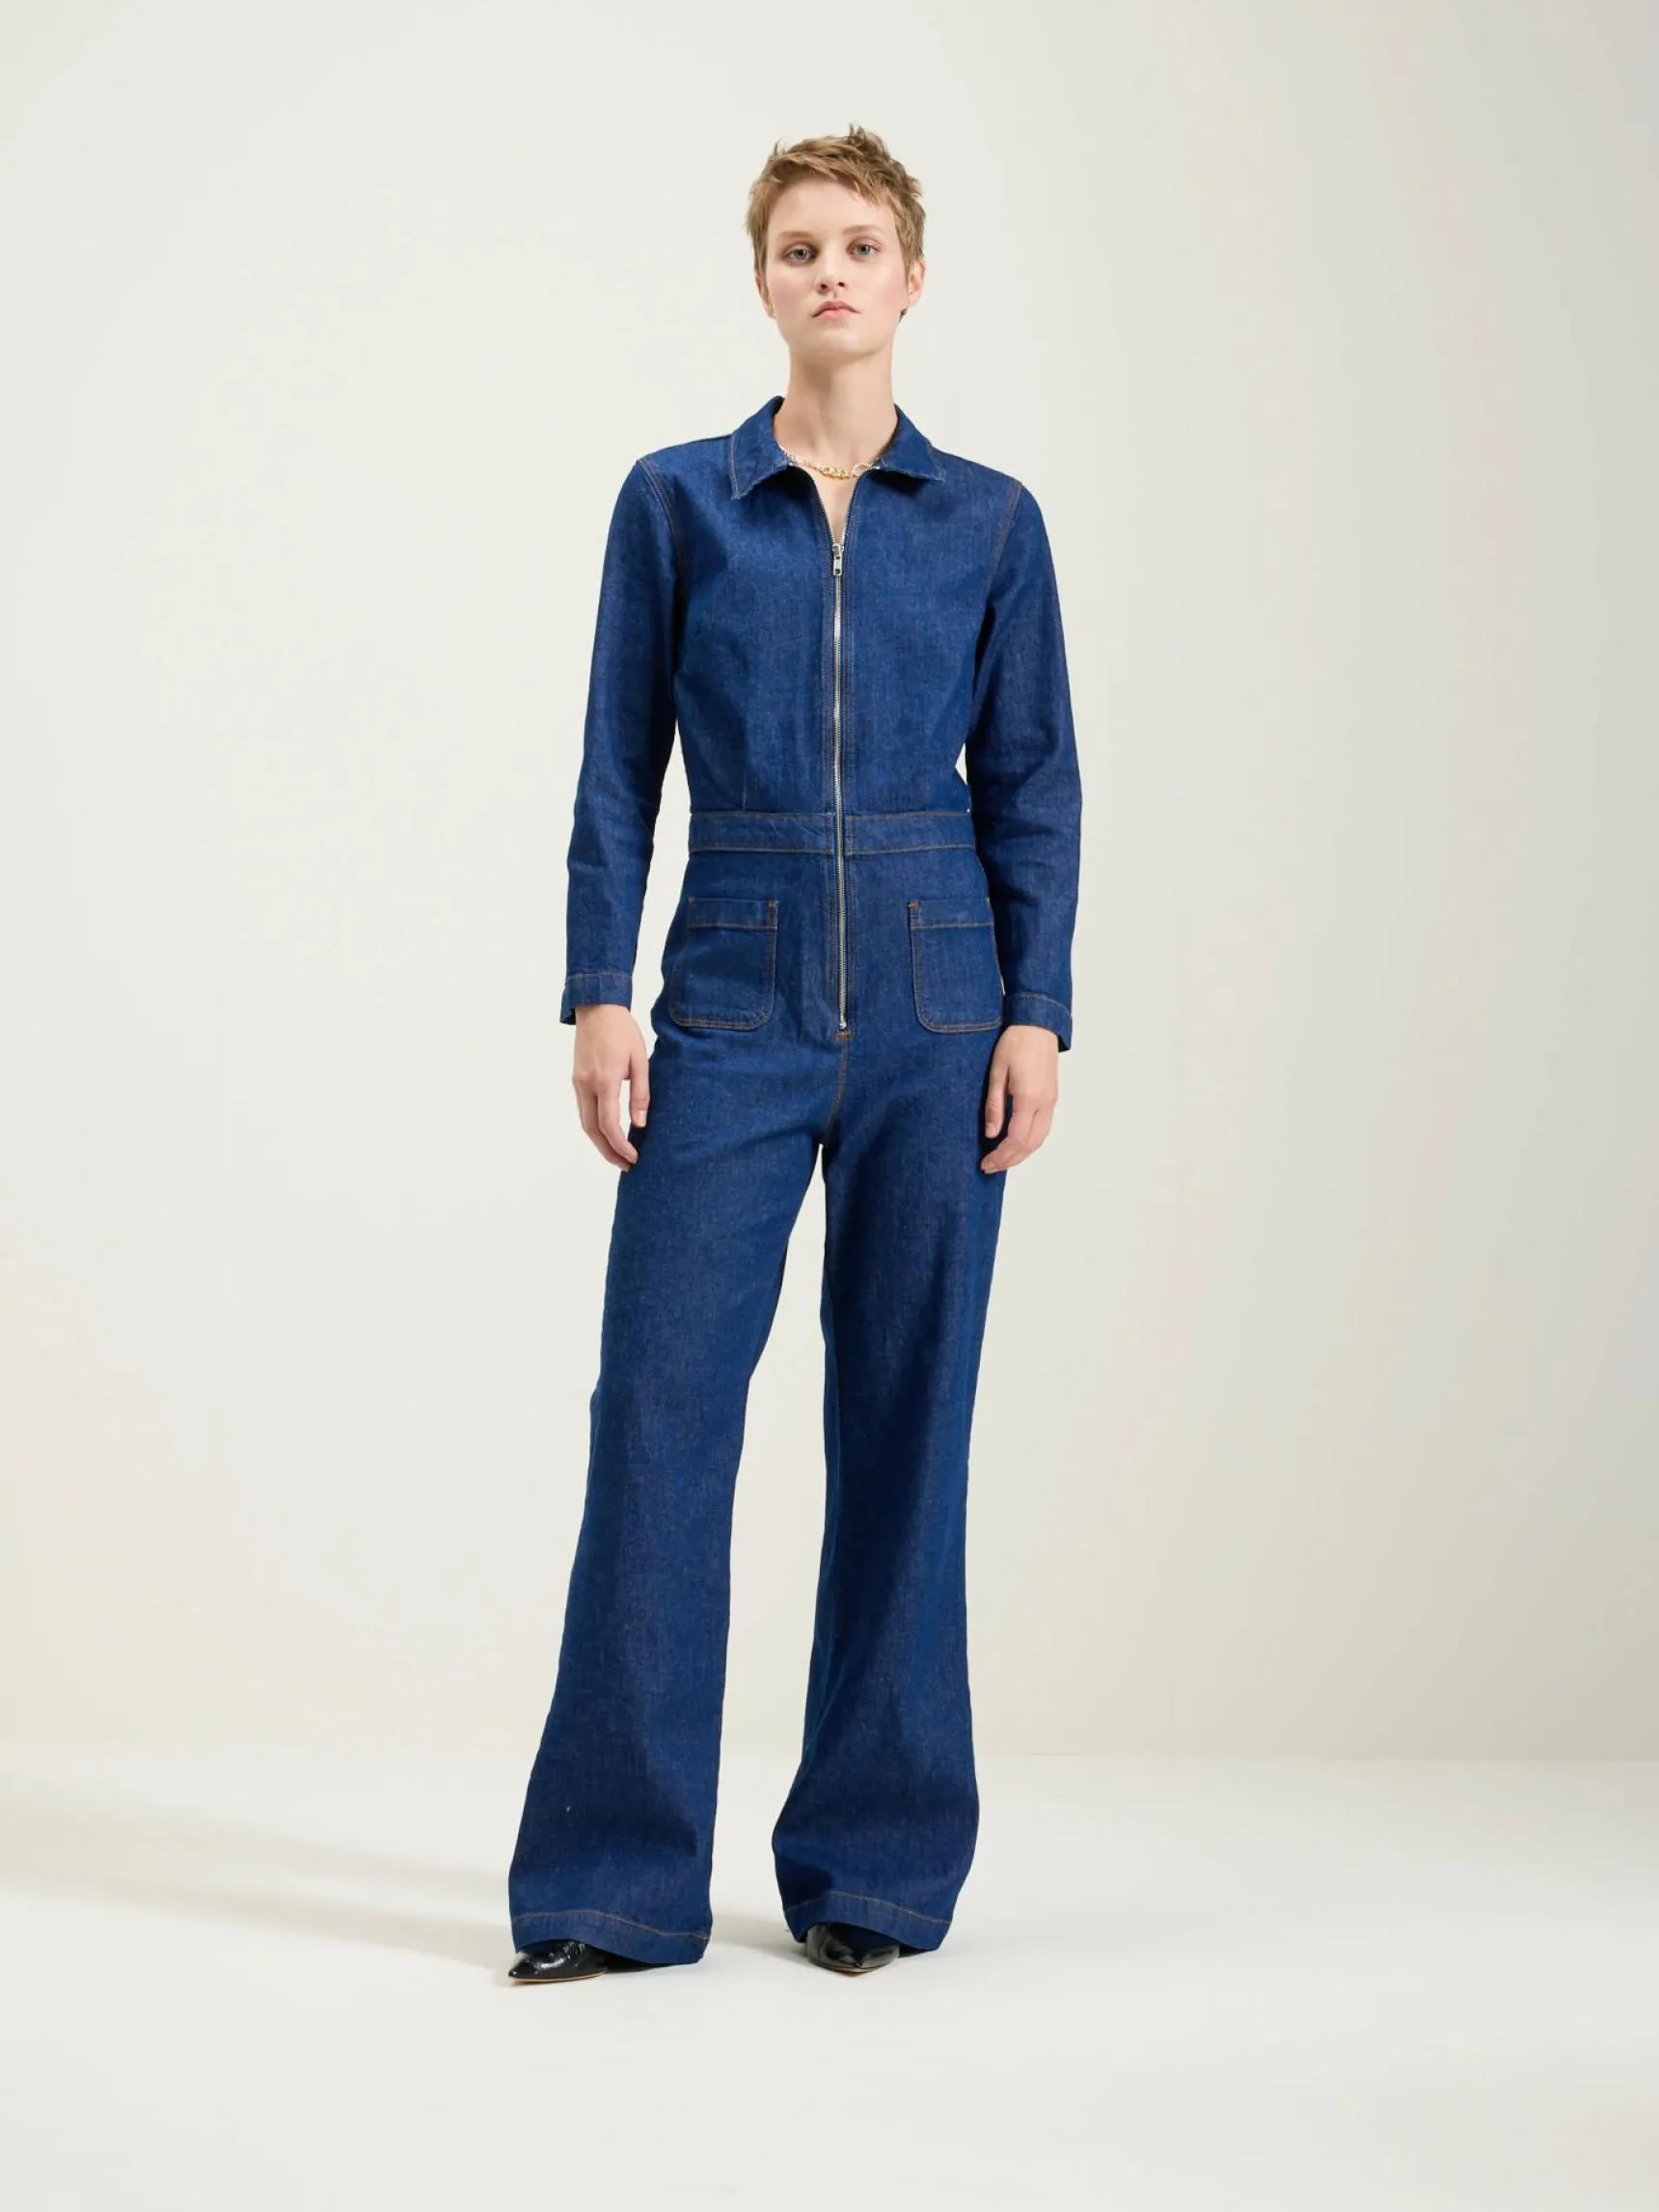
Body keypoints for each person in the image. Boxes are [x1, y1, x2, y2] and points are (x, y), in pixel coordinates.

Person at [507, 123, 1082, 1983]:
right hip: (731, 983)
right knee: (659, 1409)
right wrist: (599, 985)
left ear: (913, 276)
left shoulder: (991, 522)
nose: (830, 273)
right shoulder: (676, 502)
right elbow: (617, 764)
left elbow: (1034, 782)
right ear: (761, 281)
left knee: (909, 1419)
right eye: (798, 248)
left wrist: (1038, 1005)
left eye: (859, 245)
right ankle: (611, 1882)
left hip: (939, 994)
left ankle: (874, 1870)